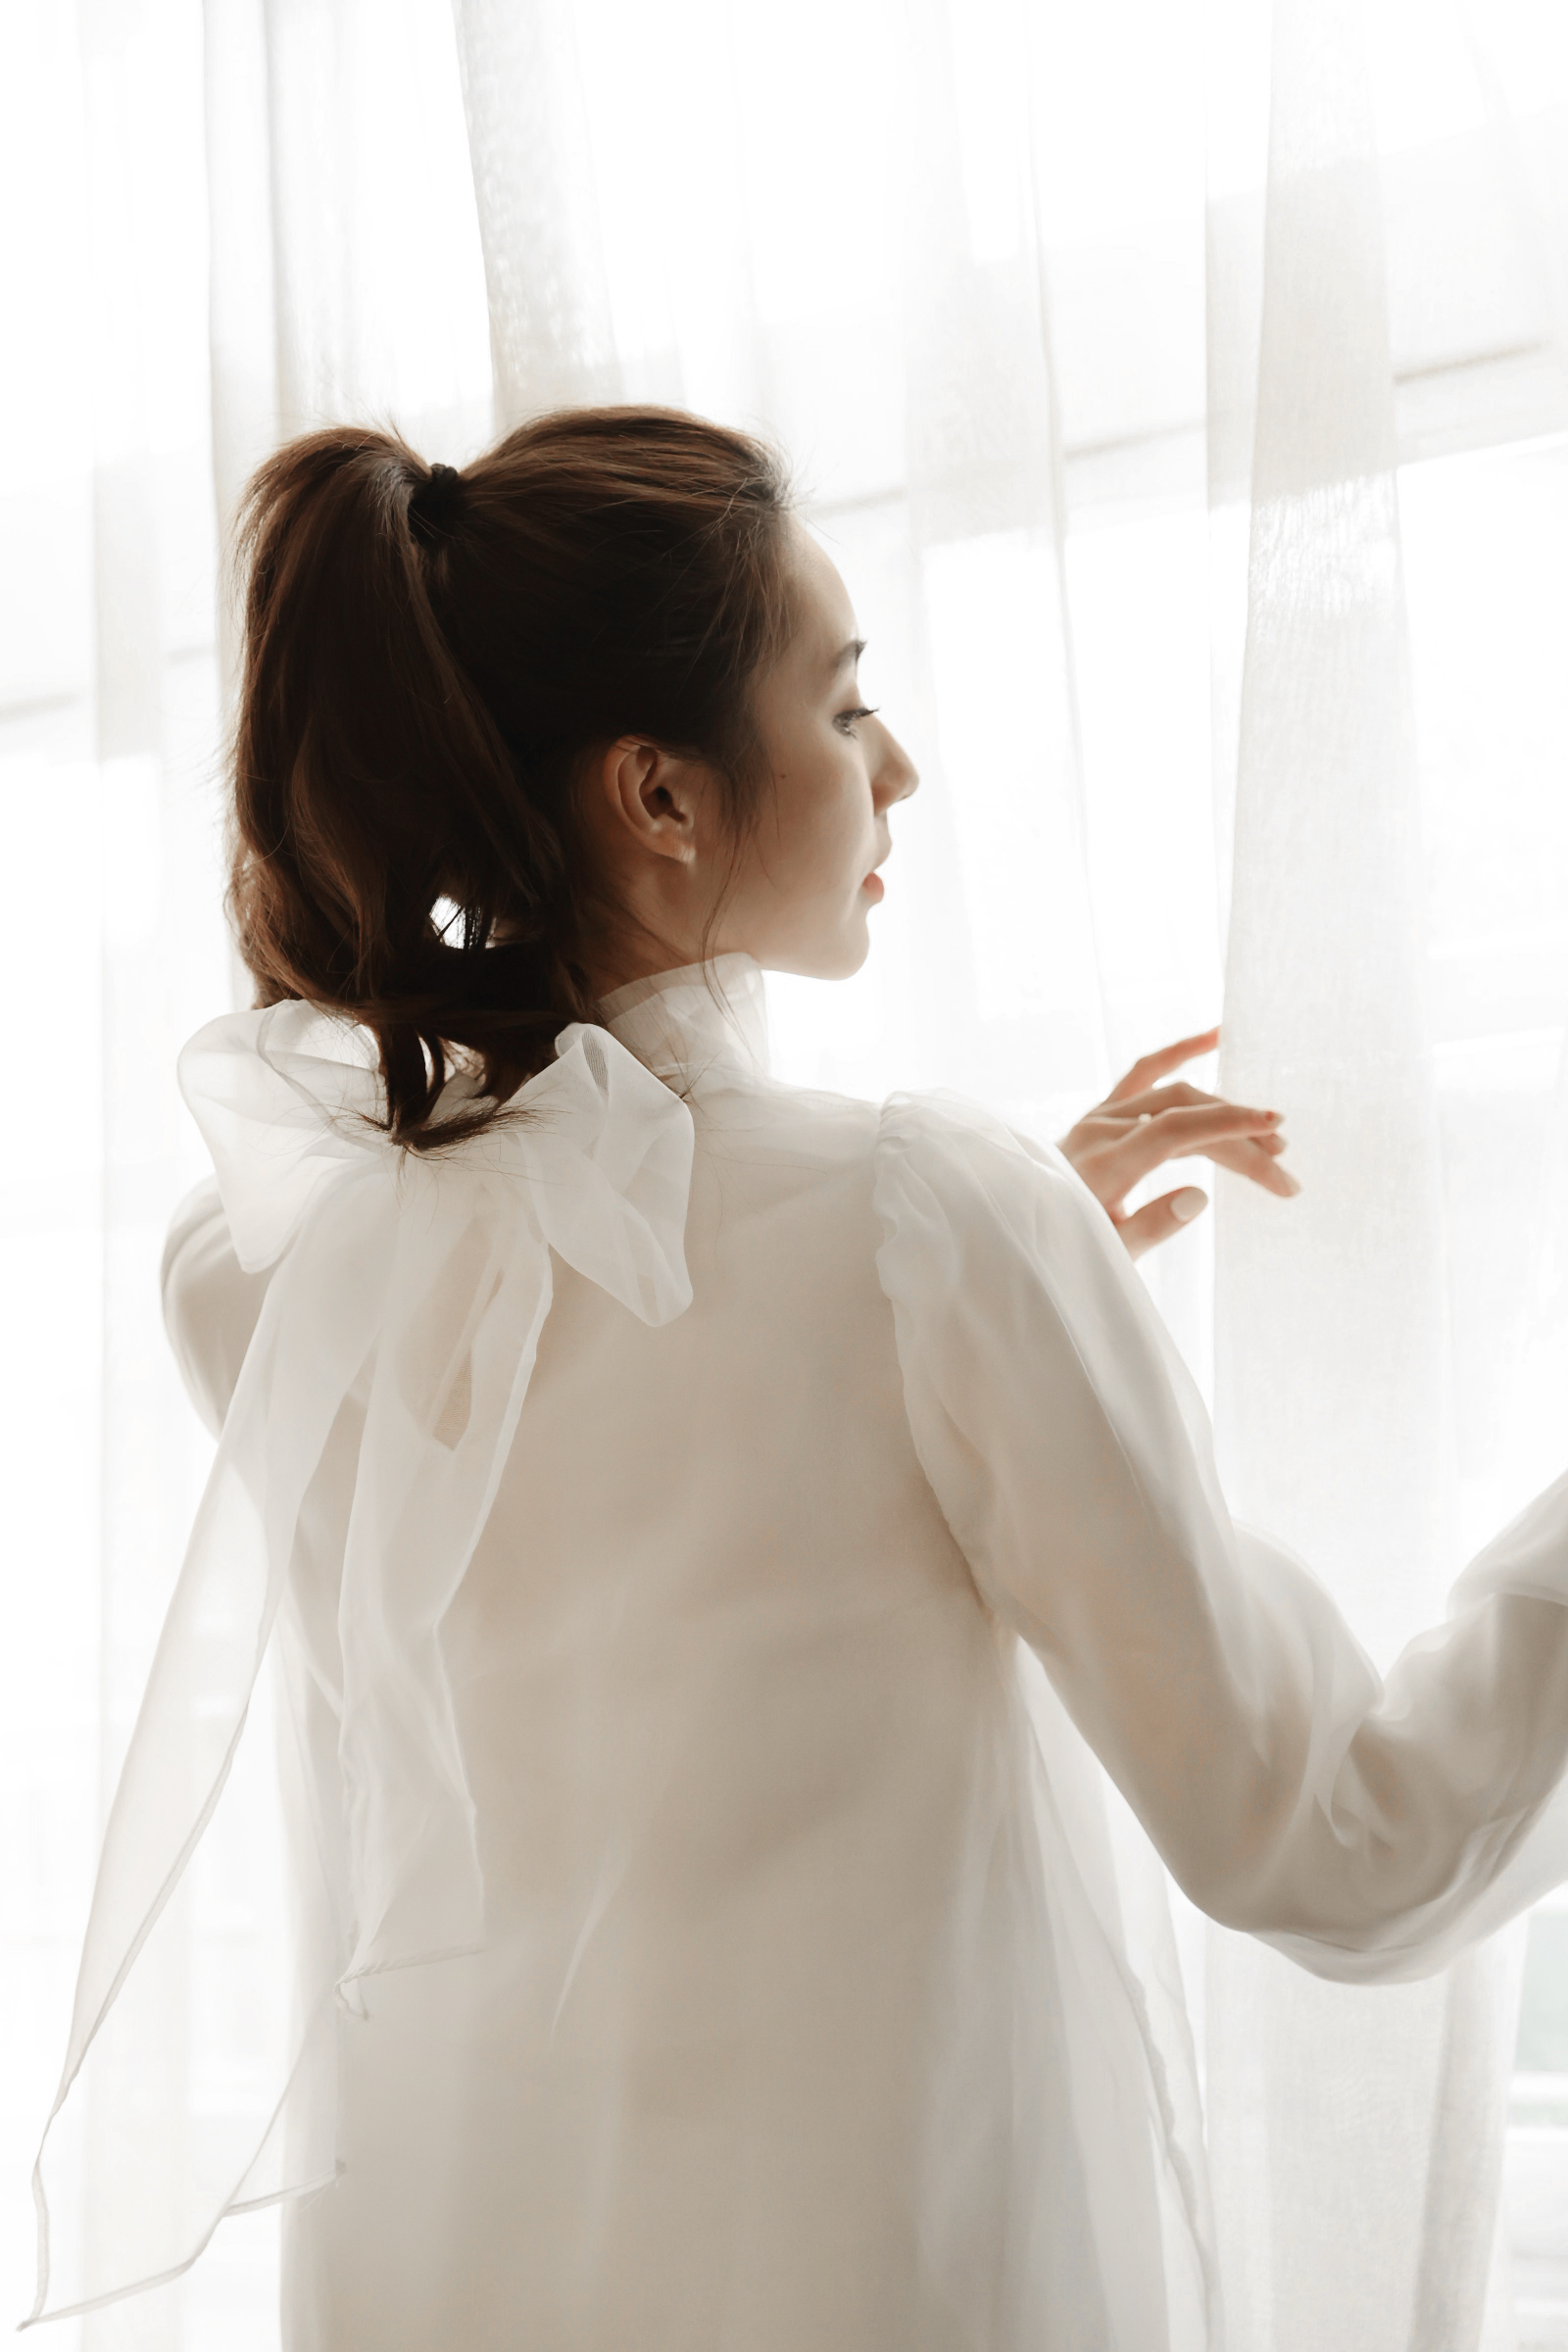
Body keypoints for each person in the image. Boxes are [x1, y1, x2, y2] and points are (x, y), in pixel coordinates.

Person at [28, 407, 1568, 2350]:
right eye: (844, 706)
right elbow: (1338, 1844)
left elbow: (650, 1390)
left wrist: (990, 1265)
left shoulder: (260, 1267)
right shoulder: (928, 1226)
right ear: (661, 797)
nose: (895, 765)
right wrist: (985, 1262)